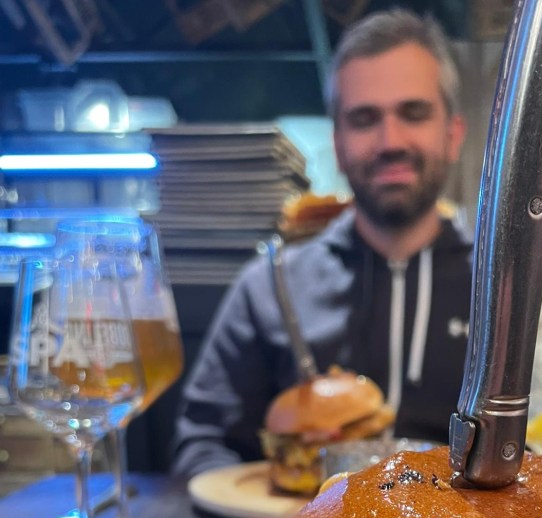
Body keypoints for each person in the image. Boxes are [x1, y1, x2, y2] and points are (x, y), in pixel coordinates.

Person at [171, 8, 473, 479]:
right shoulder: (269, 285)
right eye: (364, 119)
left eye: (413, 113)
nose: (390, 141)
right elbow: (202, 446)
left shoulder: (509, 293)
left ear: (453, 134)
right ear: (338, 145)